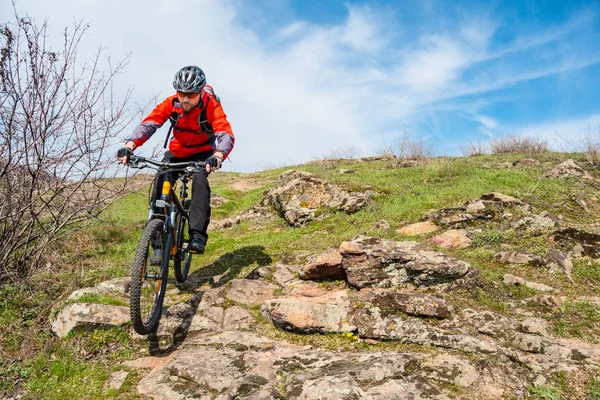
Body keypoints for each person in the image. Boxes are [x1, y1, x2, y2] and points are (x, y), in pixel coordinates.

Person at [116, 65, 235, 254]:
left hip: (202, 153)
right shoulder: (171, 103)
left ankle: (197, 236)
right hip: (177, 151)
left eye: (191, 94)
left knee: (200, 181)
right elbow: (149, 124)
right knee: (159, 182)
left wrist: (218, 155)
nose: (186, 99)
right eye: (181, 93)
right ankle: (157, 238)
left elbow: (225, 133)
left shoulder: (211, 106)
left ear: (200, 92)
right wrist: (130, 145)